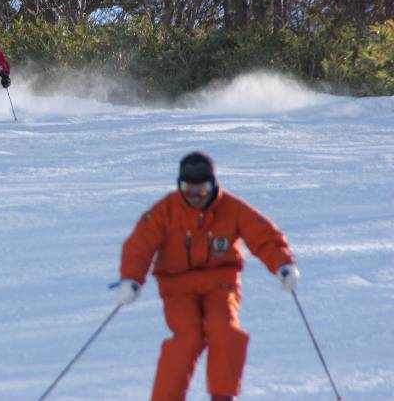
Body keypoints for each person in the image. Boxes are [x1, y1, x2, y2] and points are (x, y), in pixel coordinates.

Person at [118, 152, 299, 401]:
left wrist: (282, 265)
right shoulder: (165, 211)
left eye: (202, 190)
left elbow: (264, 235)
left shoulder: (231, 208)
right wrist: (131, 278)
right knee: (188, 337)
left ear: (213, 185)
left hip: (220, 284)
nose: (195, 197)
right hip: (178, 287)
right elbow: (140, 245)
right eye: (188, 190)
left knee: (224, 329)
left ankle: (222, 396)